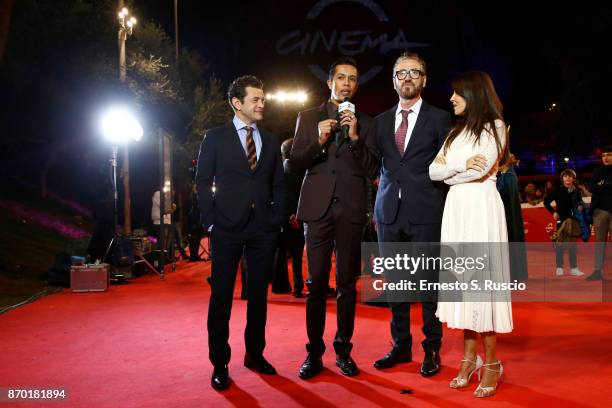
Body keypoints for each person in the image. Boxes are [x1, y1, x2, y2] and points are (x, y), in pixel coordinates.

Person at [289, 57, 379, 379]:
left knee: (346, 286)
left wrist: (354, 139)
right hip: (317, 210)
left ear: (356, 85)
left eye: (352, 79)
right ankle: (314, 353)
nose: (346, 83)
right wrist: (319, 141)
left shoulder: (366, 123)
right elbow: (295, 162)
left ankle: (344, 351)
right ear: (329, 82)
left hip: (351, 211)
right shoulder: (308, 116)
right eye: (341, 77)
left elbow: (372, 169)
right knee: (315, 285)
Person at [196, 75, 284, 391]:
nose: (262, 104)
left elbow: (278, 183)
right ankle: (219, 363)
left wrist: (275, 219)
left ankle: (255, 354)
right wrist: (210, 221)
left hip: (262, 228)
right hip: (226, 228)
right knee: (221, 297)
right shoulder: (215, 137)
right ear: (238, 103)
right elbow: (202, 181)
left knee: (259, 297)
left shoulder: (271, 140)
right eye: (256, 99)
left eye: (264, 99)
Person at [429, 70, 513, 398]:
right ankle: (468, 357)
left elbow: (482, 169)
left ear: (474, 94)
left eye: (457, 93)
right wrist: (456, 170)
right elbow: (435, 172)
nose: (451, 99)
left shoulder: (496, 127)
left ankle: (491, 362)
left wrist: (452, 170)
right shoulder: (454, 133)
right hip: (457, 210)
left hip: (482, 209)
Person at [373, 51, 451, 377]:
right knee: (397, 284)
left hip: (427, 210)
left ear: (424, 79)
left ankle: (431, 349)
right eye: (401, 73)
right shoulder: (378, 122)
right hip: (388, 212)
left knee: (430, 285)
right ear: (393, 80)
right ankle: (400, 345)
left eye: (414, 72)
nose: (407, 77)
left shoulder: (441, 119)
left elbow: (448, 165)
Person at [272, 138, 306, 297]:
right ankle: (298, 287)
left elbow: (279, 197)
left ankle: (280, 285)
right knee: (298, 254)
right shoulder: (303, 171)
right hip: (298, 218)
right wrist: (298, 216)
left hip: (284, 219)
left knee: (281, 252)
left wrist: (287, 216)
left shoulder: (278, 172)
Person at [544, 169, 585, 277]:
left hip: (573, 221)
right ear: (562, 178)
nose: (568, 178)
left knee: (572, 245)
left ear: (573, 178)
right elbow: (546, 202)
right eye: (565, 176)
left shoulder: (577, 191)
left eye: (570, 176)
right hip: (561, 220)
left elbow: (579, 203)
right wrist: (553, 212)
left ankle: (574, 268)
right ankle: (559, 267)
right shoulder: (557, 190)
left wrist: (580, 207)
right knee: (559, 244)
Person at [496, 153, 528, 282]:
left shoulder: (508, 177)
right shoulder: (509, 176)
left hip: (508, 218)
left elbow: (499, 193)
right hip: (510, 217)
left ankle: (512, 276)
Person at [587, 145, 612, 281]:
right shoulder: (597, 171)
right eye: (603, 156)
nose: (606, 158)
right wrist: (604, 186)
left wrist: (602, 185)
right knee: (599, 243)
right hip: (599, 211)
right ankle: (597, 271)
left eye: (609, 155)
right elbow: (591, 188)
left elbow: (599, 188)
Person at [151, 189, 188, 261]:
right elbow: (164, 208)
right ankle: (161, 259)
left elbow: (170, 208)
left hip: (166, 221)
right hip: (159, 222)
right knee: (162, 241)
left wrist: (172, 208)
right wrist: (172, 209)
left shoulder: (167, 196)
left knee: (167, 241)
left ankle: (165, 258)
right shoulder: (158, 194)